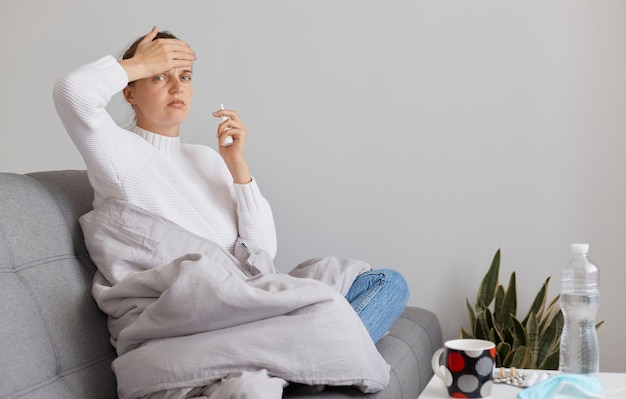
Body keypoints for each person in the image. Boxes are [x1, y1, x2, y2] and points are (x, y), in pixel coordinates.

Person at [54, 27, 408, 344]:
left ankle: (314, 347)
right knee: (341, 312)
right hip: (210, 315)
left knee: (386, 284)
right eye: (159, 77)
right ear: (129, 93)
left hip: (251, 298)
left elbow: (262, 254)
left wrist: (238, 168)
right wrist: (138, 64)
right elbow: (73, 93)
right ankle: (322, 348)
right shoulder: (118, 153)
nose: (178, 87)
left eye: (186, 75)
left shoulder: (206, 159)